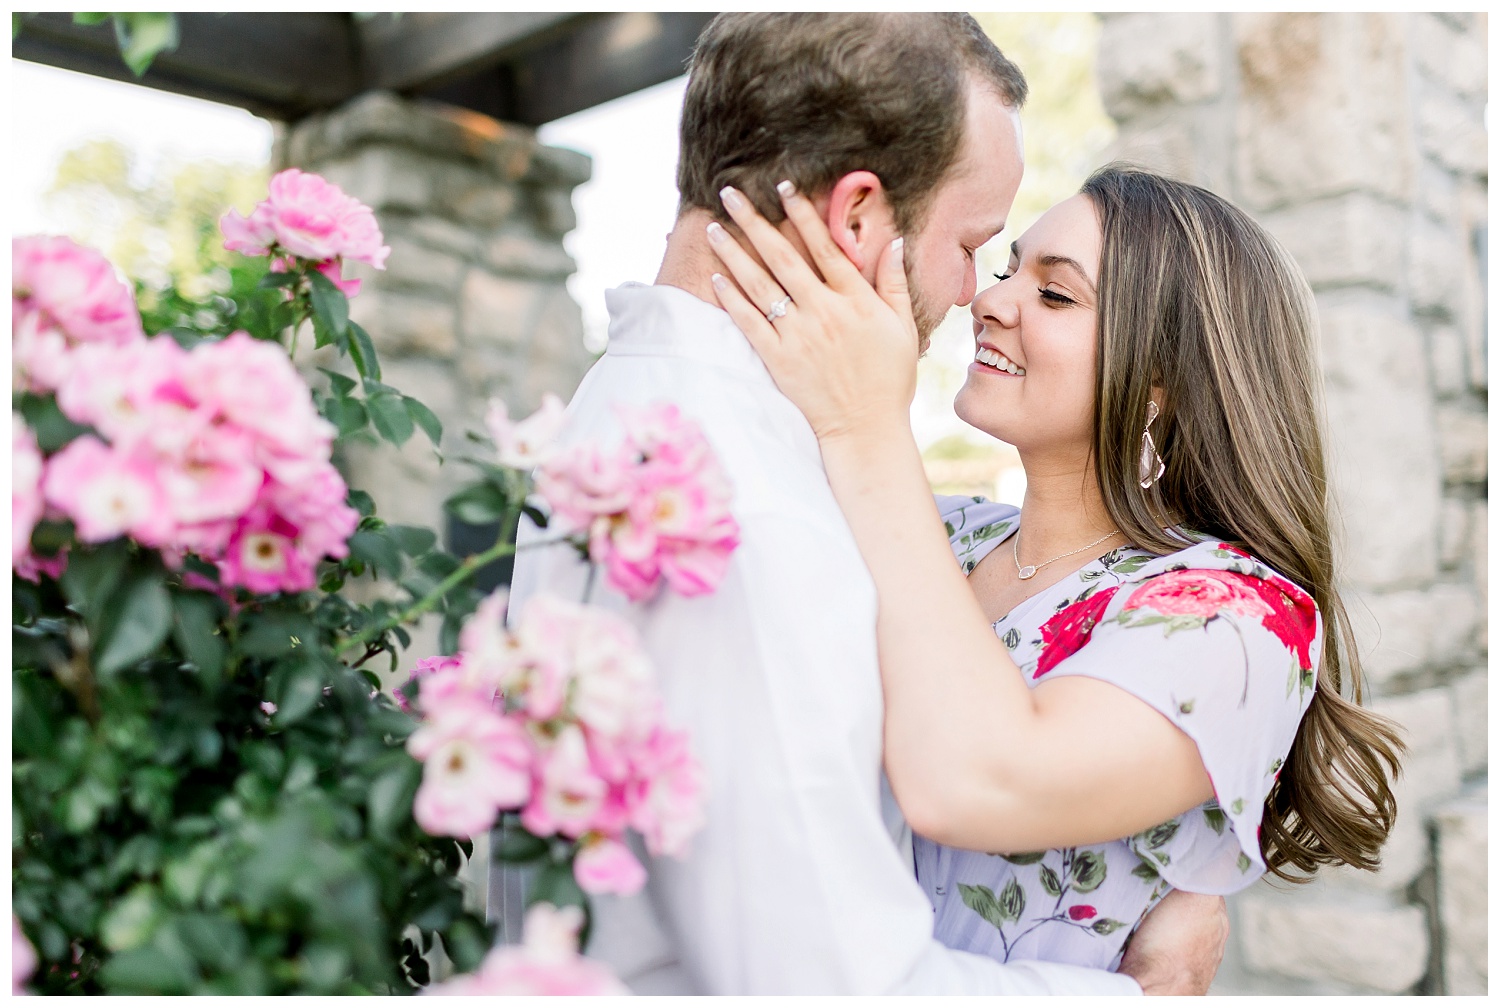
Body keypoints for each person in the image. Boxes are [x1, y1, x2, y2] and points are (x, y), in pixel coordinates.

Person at [506, 12, 1228, 995]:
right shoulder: (735, 506)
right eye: (975, 244)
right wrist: (1140, 996)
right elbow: (829, 983)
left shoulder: (643, 414)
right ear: (856, 218)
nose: (977, 291)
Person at [704, 164, 1405, 972]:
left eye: (1056, 295)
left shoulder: (1238, 615)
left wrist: (867, 425)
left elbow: (972, 781)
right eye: (1006, 270)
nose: (989, 302)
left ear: (1158, 386)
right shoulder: (942, 532)